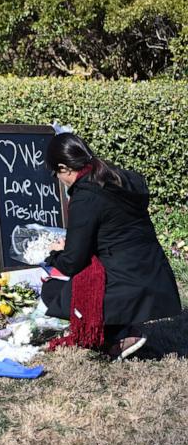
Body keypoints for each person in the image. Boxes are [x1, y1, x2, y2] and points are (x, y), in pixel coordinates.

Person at [40, 133, 181, 358]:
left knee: (52, 290)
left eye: (56, 173)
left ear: (64, 168)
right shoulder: (119, 179)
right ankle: (124, 327)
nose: (59, 179)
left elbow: (73, 262)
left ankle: (117, 339)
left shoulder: (86, 196)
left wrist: (53, 255)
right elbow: (114, 230)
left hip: (127, 284)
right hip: (155, 276)